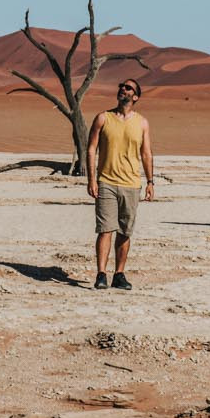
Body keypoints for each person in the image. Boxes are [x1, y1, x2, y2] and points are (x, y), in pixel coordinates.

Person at [85, 77, 154, 289]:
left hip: (132, 184)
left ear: (136, 96)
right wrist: (91, 179)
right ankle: (101, 274)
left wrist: (150, 181)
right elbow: (91, 149)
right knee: (105, 229)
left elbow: (146, 153)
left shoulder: (142, 123)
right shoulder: (103, 118)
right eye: (121, 86)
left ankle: (119, 274)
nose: (122, 89)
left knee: (125, 231)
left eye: (128, 88)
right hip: (106, 181)